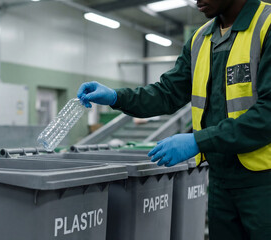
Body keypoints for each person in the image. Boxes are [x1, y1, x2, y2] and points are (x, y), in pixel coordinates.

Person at [77, 0, 271, 239]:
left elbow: (267, 114)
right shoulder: (201, 38)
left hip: (263, 182)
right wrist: (117, 97)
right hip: (220, 181)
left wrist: (198, 141)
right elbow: (167, 93)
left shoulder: (267, 24)